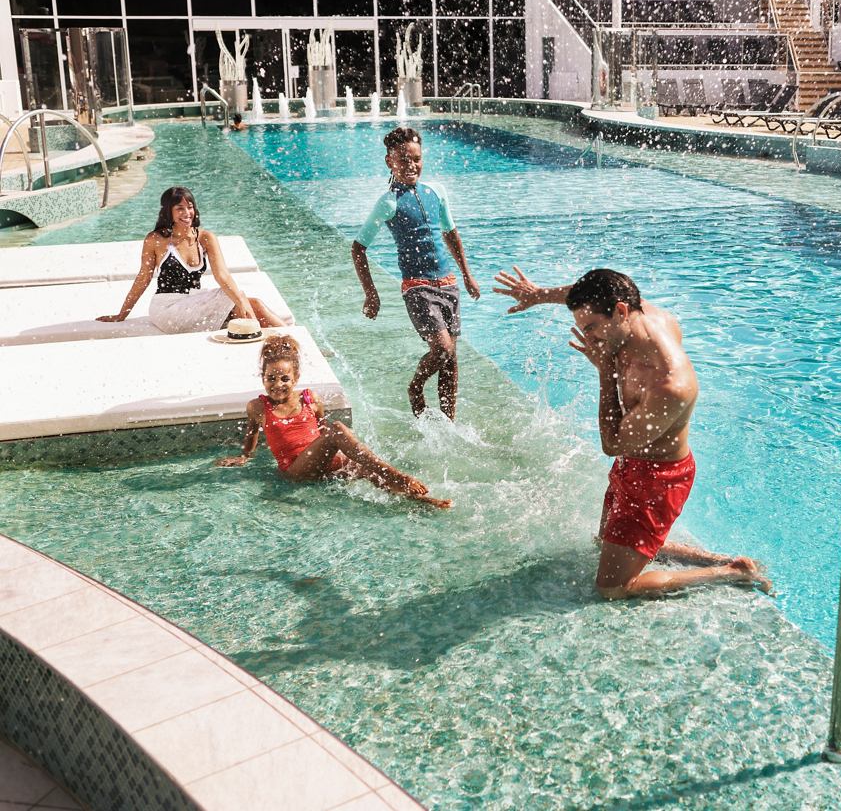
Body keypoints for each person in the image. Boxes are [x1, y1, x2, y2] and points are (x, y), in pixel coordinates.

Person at [494, 266, 770, 599]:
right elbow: (590, 295)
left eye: (592, 328)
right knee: (604, 543)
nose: (590, 338)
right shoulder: (631, 313)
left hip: (657, 481)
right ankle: (710, 557)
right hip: (632, 465)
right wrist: (539, 295)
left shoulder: (671, 383)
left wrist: (605, 371)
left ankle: (729, 572)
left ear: (621, 313)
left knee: (612, 588)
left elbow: (611, 444)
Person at [216, 334, 452, 509]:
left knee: (367, 470)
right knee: (337, 429)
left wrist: (348, 459)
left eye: (285, 378)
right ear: (263, 378)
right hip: (295, 470)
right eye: (271, 378)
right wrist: (245, 456)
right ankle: (398, 477)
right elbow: (251, 433)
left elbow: (319, 432)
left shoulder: (310, 399)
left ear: (296, 378)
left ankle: (424, 502)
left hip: (319, 463)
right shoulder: (258, 407)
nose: (278, 384)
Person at [350, 126, 481, 419]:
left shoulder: (437, 191)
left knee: (451, 360)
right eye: (403, 160)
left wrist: (467, 275)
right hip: (417, 288)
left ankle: (450, 422)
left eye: (416, 159)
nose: (411, 165)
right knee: (442, 348)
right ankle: (415, 386)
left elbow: (451, 234)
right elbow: (358, 248)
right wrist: (371, 295)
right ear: (389, 162)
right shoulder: (389, 202)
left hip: (448, 285)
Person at [97, 186, 287, 333]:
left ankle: (292, 341)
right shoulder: (156, 240)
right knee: (234, 298)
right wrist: (122, 314)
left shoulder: (205, 238)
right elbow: (143, 278)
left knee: (255, 304)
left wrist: (242, 302)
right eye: (180, 208)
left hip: (195, 302)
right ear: (168, 212)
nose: (187, 213)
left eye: (190, 207)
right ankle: (262, 340)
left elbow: (223, 275)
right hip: (167, 309)